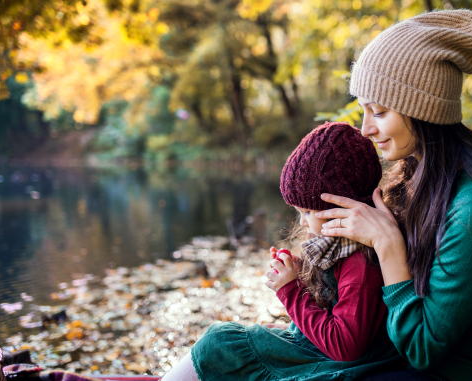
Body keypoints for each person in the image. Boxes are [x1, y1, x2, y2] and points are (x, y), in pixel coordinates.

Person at [314, 9, 472, 381]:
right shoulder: (412, 178)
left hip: (457, 374)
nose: (366, 128)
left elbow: (422, 348)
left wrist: (387, 243)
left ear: (423, 110)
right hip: (396, 359)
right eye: (363, 111)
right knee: (231, 346)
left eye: (379, 112)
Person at [162, 122, 411, 381]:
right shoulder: (337, 248)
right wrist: (301, 274)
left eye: (307, 212)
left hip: (343, 364)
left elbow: (345, 345)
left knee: (219, 343)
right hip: (321, 350)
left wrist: (291, 290)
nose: (302, 221)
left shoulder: (360, 262)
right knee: (226, 339)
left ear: (341, 206)